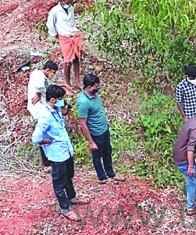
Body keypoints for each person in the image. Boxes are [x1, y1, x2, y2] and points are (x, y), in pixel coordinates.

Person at [31, 85, 89, 221]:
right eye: (60, 99)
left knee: (68, 176)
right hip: (57, 155)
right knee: (58, 183)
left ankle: (72, 198)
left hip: (66, 151)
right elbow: (35, 138)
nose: (62, 101)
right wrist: (46, 141)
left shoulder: (55, 110)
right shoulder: (44, 116)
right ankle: (65, 209)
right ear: (52, 100)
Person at [26, 61, 73, 173]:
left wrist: (62, 85)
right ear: (47, 70)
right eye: (53, 72)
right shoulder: (38, 76)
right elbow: (43, 89)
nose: (53, 75)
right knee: (43, 136)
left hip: (43, 109)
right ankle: (47, 165)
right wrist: (38, 92)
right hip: (38, 110)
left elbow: (47, 88)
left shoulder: (42, 77)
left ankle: (49, 162)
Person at [77, 74, 124, 184]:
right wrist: (91, 142)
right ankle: (102, 177)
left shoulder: (94, 94)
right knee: (97, 155)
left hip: (104, 129)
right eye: (96, 86)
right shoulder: (83, 102)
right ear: (89, 87)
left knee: (107, 151)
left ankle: (110, 173)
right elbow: (83, 123)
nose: (98, 88)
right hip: (95, 133)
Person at [46, 0, 83, 89]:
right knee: (68, 61)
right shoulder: (55, 11)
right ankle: (68, 83)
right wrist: (55, 35)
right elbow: (50, 24)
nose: (70, 2)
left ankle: (77, 81)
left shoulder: (71, 9)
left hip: (73, 35)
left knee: (76, 58)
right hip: (64, 37)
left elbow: (72, 22)